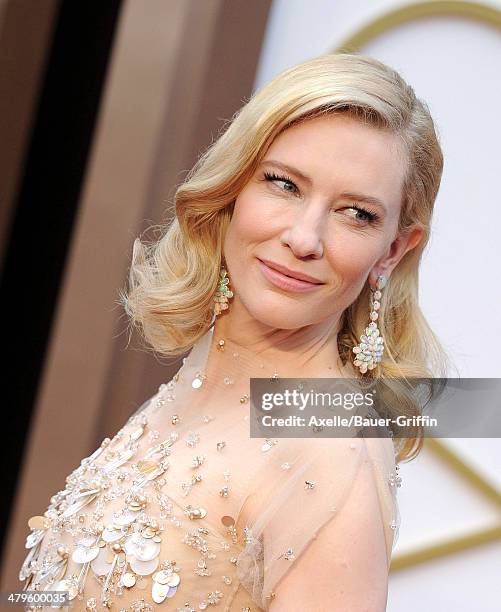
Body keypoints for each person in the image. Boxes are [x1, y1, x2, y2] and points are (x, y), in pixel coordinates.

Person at [18, 53, 449, 611]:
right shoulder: (199, 383)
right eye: (283, 184)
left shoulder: (331, 455)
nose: (303, 237)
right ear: (234, 186)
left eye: (356, 213)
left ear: (393, 249)